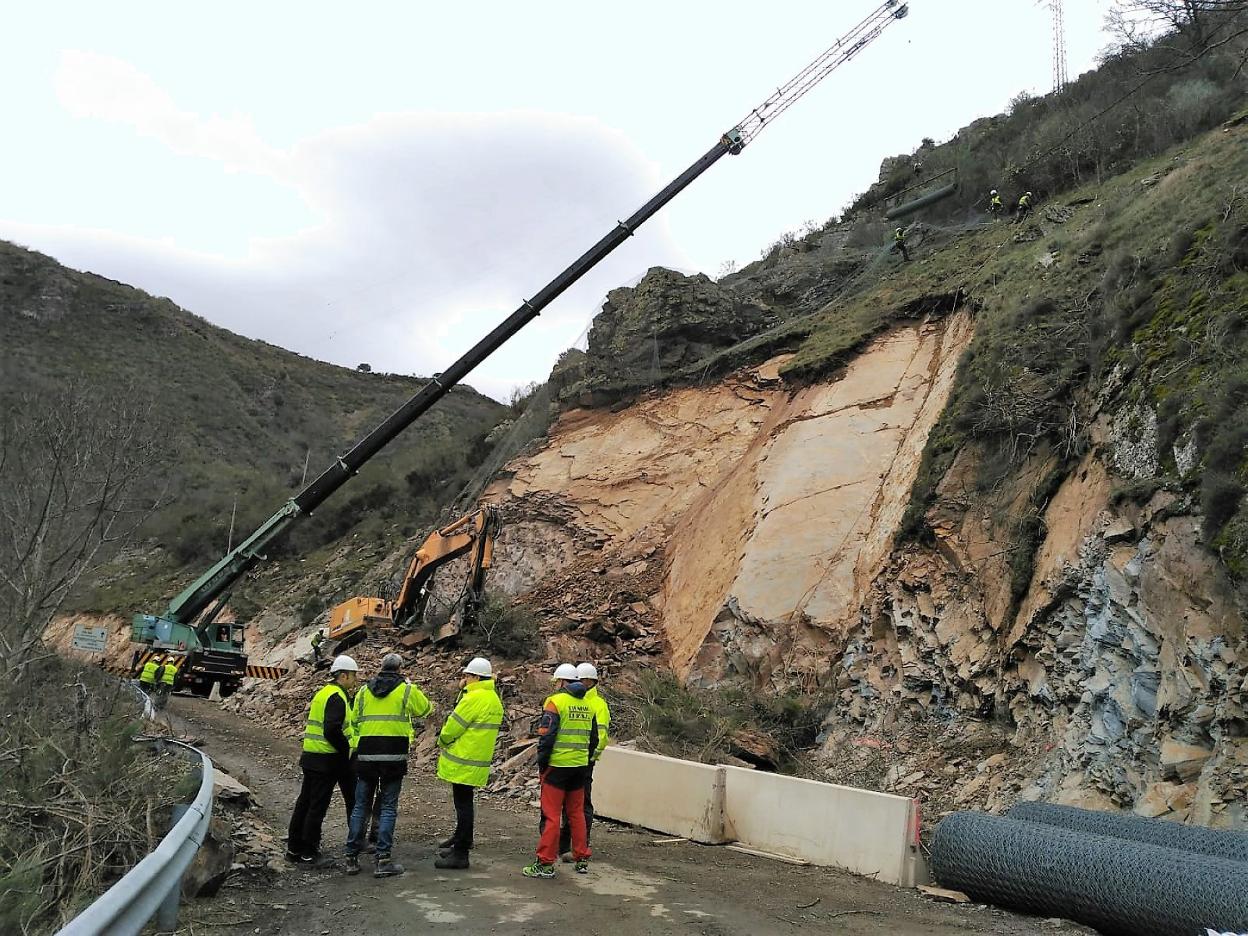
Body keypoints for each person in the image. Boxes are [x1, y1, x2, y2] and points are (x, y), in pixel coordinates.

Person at [344, 653, 433, 878]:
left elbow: (354, 721)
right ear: (400, 668)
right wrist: (412, 686)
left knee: (360, 806)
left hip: (366, 756)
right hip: (393, 757)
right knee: (388, 807)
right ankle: (382, 860)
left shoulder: (364, 691)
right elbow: (425, 710)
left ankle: (351, 858)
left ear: (380, 667)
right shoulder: (406, 690)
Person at [522, 663, 597, 879]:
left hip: (557, 767)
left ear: (563, 682)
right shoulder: (588, 705)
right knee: (576, 813)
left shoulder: (556, 702)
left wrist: (542, 764)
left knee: (552, 815)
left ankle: (545, 863)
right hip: (579, 767)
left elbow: (546, 737)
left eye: (557, 681)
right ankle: (581, 858)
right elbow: (594, 740)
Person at [286, 654, 359, 866]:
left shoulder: (323, 693)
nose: (355, 680)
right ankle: (309, 852)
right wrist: (345, 750)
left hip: (311, 757)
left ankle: (294, 849)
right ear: (343, 675)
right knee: (317, 806)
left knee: (305, 803)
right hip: (325, 760)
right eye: (353, 676)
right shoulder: (337, 696)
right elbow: (331, 729)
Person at [434, 656, 504, 870]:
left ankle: (461, 852)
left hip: (463, 760)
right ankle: (460, 840)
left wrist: (442, 740)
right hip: (477, 760)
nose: (463, 679)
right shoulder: (493, 698)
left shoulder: (473, 699)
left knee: (463, 805)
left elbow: (453, 727)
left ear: (475, 677)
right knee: (465, 803)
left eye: (467, 676)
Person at [559, 662, 610, 863]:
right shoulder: (574, 701)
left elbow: (602, 736)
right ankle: (563, 846)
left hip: (584, 762)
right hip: (570, 760)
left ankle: (581, 846)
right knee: (567, 804)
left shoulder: (598, 705)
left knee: (582, 804)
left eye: (580, 679)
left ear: (590, 681)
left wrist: (591, 758)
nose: (577, 683)